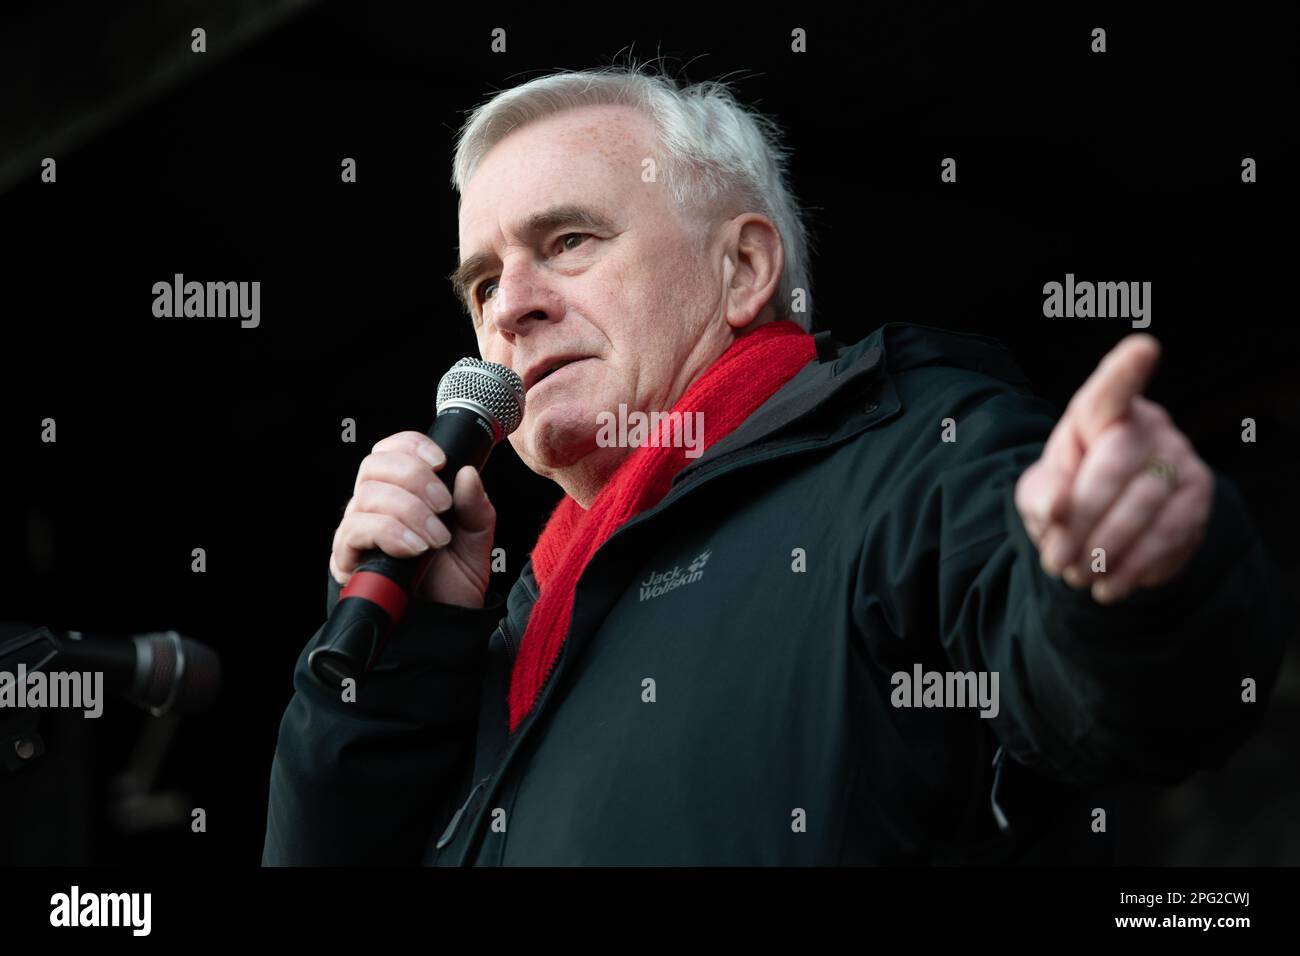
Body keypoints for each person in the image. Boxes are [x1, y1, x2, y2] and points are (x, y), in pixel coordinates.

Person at [262, 64, 1287, 865]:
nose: (509, 304)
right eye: (482, 278)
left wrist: (1125, 582)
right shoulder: (506, 615)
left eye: (568, 240)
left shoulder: (912, 454)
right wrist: (401, 667)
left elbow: (1124, 710)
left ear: (742, 267)